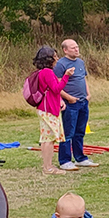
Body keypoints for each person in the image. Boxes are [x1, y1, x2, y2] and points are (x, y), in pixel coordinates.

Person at [54, 39, 96, 170]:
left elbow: (83, 78)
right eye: (73, 48)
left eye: (77, 47)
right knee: (68, 132)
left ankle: (80, 158)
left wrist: (88, 94)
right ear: (65, 50)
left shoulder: (80, 62)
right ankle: (65, 160)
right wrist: (69, 98)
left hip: (83, 102)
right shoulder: (61, 65)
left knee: (80, 131)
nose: (76, 49)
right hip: (70, 103)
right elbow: (57, 86)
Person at [30, 45, 72, 175]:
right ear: (49, 59)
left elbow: (51, 90)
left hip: (46, 107)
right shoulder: (47, 72)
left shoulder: (42, 72)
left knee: (46, 137)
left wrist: (59, 101)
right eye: (55, 56)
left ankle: (47, 165)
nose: (57, 59)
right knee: (49, 138)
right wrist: (66, 76)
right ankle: (48, 167)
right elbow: (56, 88)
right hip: (48, 109)